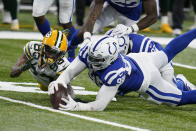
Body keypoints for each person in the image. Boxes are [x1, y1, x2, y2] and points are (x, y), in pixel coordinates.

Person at [48, 28, 196, 111]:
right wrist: (59, 81)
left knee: (179, 100)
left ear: (109, 59)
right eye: (92, 57)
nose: (91, 62)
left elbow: (100, 104)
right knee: (167, 52)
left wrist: (78, 106)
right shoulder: (91, 49)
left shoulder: (115, 72)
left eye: (97, 60)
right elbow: (70, 72)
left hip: (149, 78)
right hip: (140, 59)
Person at [105, 30, 195, 92]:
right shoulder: (116, 41)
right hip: (141, 66)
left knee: (170, 89)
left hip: (161, 63)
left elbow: (159, 63)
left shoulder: (143, 45)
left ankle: (181, 81)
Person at [68, 0, 158, 60]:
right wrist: (87, 36)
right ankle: (70, 48)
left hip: (131, 14)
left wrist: (131, 29)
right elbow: (94, 12)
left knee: (129, 48)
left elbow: (153, 16)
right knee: (83, 32)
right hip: (111, 8)